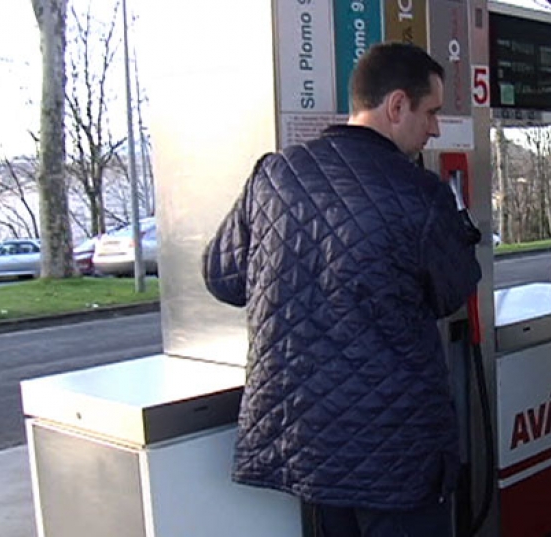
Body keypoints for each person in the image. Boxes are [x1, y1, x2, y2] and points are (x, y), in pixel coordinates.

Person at [201, 42, 481, 537]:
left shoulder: (274, 174)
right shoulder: (420, 194)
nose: (435, 128)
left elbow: (222, 278)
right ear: (397, 105)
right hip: (397, 451)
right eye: (432, 112)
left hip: (308, 444)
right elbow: (451, 292)